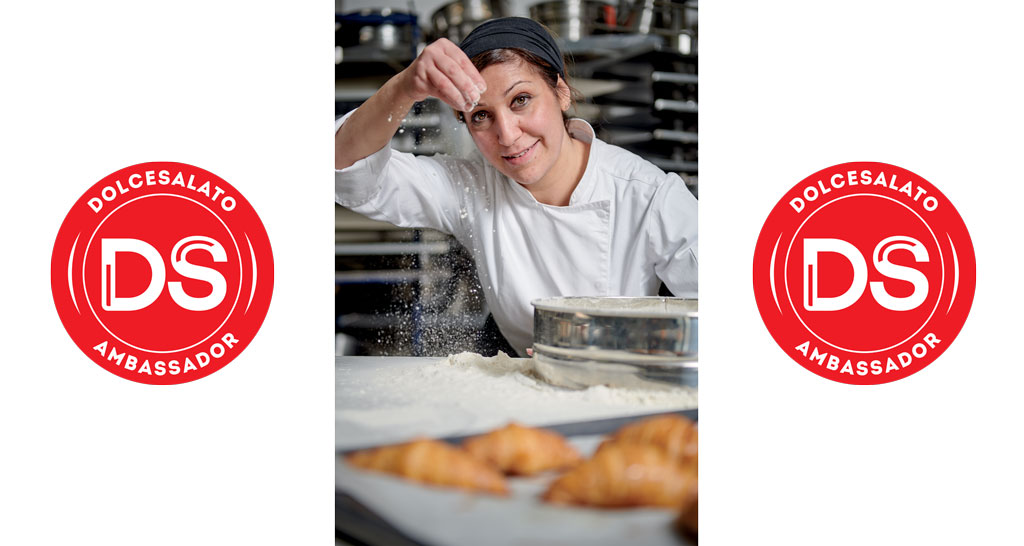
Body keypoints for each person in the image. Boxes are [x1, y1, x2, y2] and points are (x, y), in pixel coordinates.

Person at [335, 17, 697, 357]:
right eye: (481, 116)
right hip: (514, 375)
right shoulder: (472, 187)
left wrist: (614, 351)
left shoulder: (650, 196)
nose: (507, 136)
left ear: (561, 92)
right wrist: (404, 87)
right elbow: (348, 170)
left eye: (520, 100)